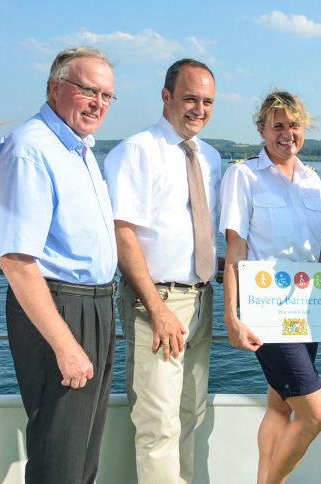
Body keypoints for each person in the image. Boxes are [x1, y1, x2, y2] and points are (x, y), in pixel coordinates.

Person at [0, 47, 118, 484]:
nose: (97, 103)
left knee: (82, 450)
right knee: (58, 453)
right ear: (54, 87)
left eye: (106, 95)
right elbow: (17, 259)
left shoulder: (79, 150)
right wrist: (65, 345)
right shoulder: (31, 149)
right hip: (60, 307)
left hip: (95, 306)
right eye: (87, 90)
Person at [221, 90, 321, 484]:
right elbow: (235, 250)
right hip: (267, 311)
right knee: (316, 414)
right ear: (261, 128)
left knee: (281, 408)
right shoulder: (243, 175)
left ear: (304, 129)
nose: (287, 133)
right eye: (277, 125)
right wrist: (232, 314)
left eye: (294, 125)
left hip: (309, 310)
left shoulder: (311, 179)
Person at [103, 58, 220, 484]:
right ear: (166, 97)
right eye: (190, 98)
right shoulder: (137, 151)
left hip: (202, 298)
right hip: (158, 302)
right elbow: (123, 235)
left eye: (207, 101)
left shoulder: (210, 157)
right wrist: (156, 308)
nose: (199, 109)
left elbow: (195, 233)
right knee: (158, 425)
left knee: (191, 414)